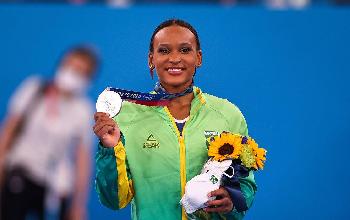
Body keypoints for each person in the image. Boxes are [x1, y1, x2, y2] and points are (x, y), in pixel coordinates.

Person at [94, 19, 257, 220]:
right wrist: (109, 149)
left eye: (185, 50)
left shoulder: (229, 114)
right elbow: (114, 200)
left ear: (198, 58)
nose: (174, 58)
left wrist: (234, 200)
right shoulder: (126, 117)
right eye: (164, 51)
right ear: (151, 59)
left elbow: (247, 181)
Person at [0, 45, 99, 220]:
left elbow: (83, 159)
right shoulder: (34, 89)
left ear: (87, 79)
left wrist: (78, 205)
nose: (72, 73)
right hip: (20, 173)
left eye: (79, 71)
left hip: (56, 185)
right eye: (69, 66)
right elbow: (9, 129)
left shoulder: (83, 110)